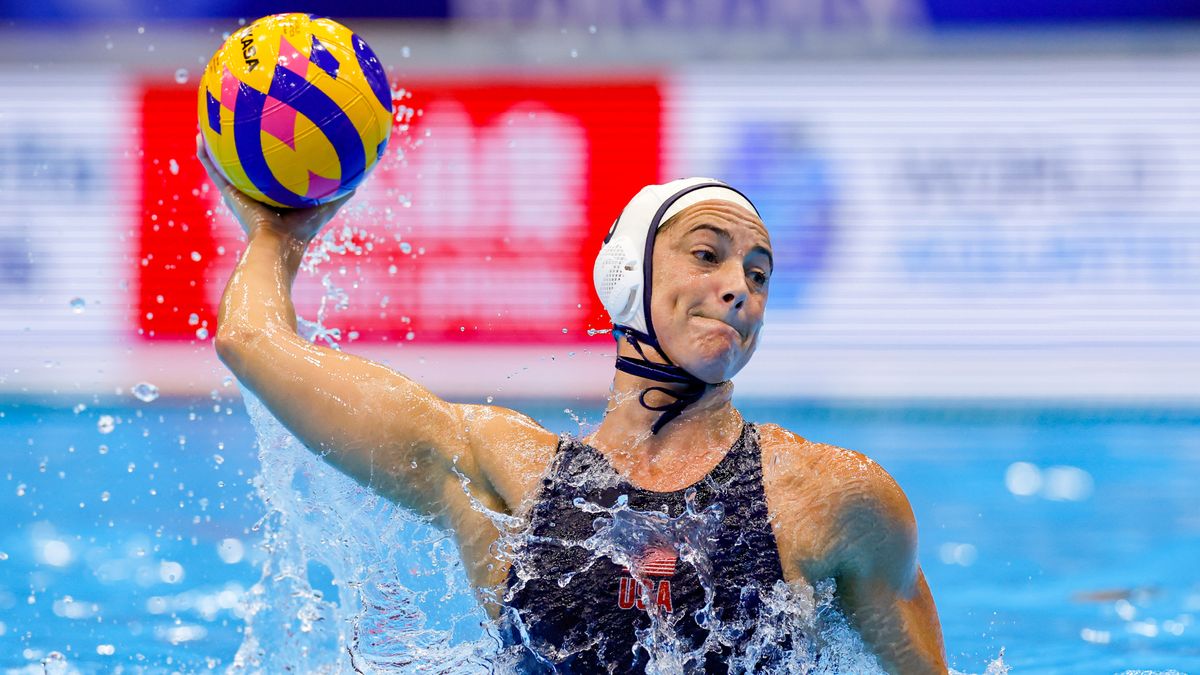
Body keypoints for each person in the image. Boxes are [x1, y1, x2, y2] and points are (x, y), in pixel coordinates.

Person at [198, 135, 947, 673]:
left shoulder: (830, 496)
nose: (738, 290)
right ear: (627, 273)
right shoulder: (503, 472)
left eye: (759, 275)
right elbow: (251, 342)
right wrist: (279, 233)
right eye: (707, 253)